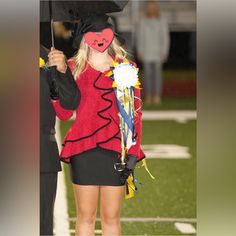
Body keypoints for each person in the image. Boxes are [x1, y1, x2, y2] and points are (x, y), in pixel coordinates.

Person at [52, 14, 145, 236]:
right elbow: (64, 115)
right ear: (84, 38)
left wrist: (133, 152)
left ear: (111, 35)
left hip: (115, 151)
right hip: (83, 151)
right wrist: (57, 84)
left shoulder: (126, 68)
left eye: (103, 32)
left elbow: (134, 116)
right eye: (93, 33)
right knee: (85, 218)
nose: (99, 38)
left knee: (111, 218)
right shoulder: (72, 68)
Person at [40, 45, 80, 235]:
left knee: (42, 225)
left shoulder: (49, 57)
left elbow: (70, 104)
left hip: (42, 154)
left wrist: (63, 71)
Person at [136, 0, 170, 104]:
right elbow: (140, 38)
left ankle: (157, 96)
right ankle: (149, 95)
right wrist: (140, 51)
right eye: (149, 7)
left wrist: (164, 51)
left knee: (157, 75)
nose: (151, 9)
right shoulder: (142, 21)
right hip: (146, 52)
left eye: (152, 7)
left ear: (155, 8)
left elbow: (165, 38)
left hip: (158, 52)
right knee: (147, 75)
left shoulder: (161, 21)